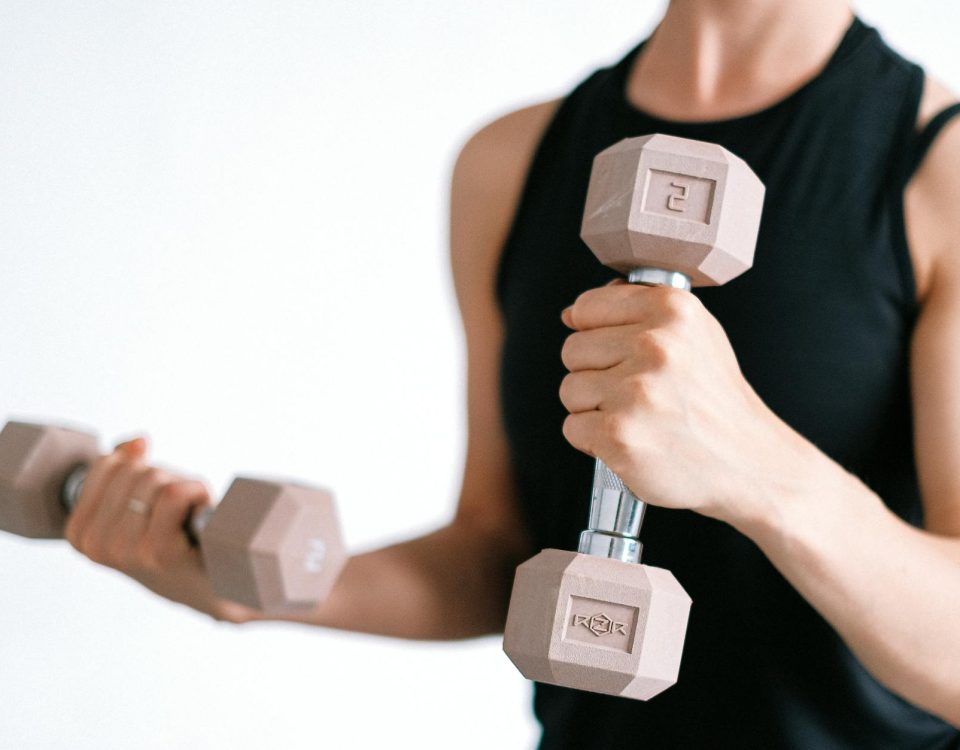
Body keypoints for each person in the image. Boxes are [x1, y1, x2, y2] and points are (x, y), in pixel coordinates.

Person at [64, 1, 960, 746]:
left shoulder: (939, 171)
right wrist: (264, 590)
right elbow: (496, 551)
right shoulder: (510, 162)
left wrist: (755, 463)